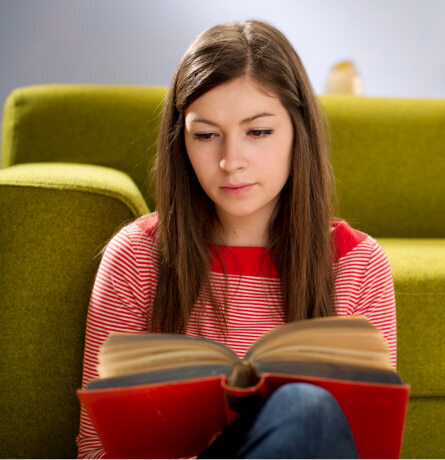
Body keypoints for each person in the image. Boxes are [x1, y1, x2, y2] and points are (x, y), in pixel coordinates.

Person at [76, 19, 397, 459]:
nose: (230, 161)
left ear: (297, 133)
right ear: (180, 143)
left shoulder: (358, 263)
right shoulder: (137, 255)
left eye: (258, 132)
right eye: (206, 135)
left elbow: (369, 447)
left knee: (310, 411)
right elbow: (94, 449)